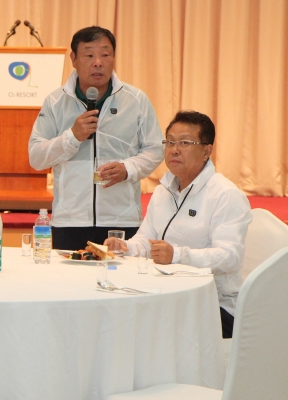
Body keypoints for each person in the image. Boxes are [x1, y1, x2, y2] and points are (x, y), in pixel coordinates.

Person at [105, 110, 252, 338]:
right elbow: (146, 239)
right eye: (170, 142)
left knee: (142, 325)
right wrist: (126, 247)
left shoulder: (225, 195)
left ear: (206, 151)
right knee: (116, 312)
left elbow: (229, 257)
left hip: (214, 306)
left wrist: (177, 255)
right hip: (167, 295)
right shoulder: (163, 191)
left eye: (185, 143)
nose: (174, 150)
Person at [28, 26, 163, 250]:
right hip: (70, 220)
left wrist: (128, 168)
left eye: (105, 54)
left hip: (121, 220)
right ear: (74, 59)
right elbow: (36, 157)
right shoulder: (55, 102)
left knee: (120, 273)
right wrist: (72, 137)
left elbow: (155, 149)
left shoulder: (136, 100)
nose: (98, 62)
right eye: (89, 55)